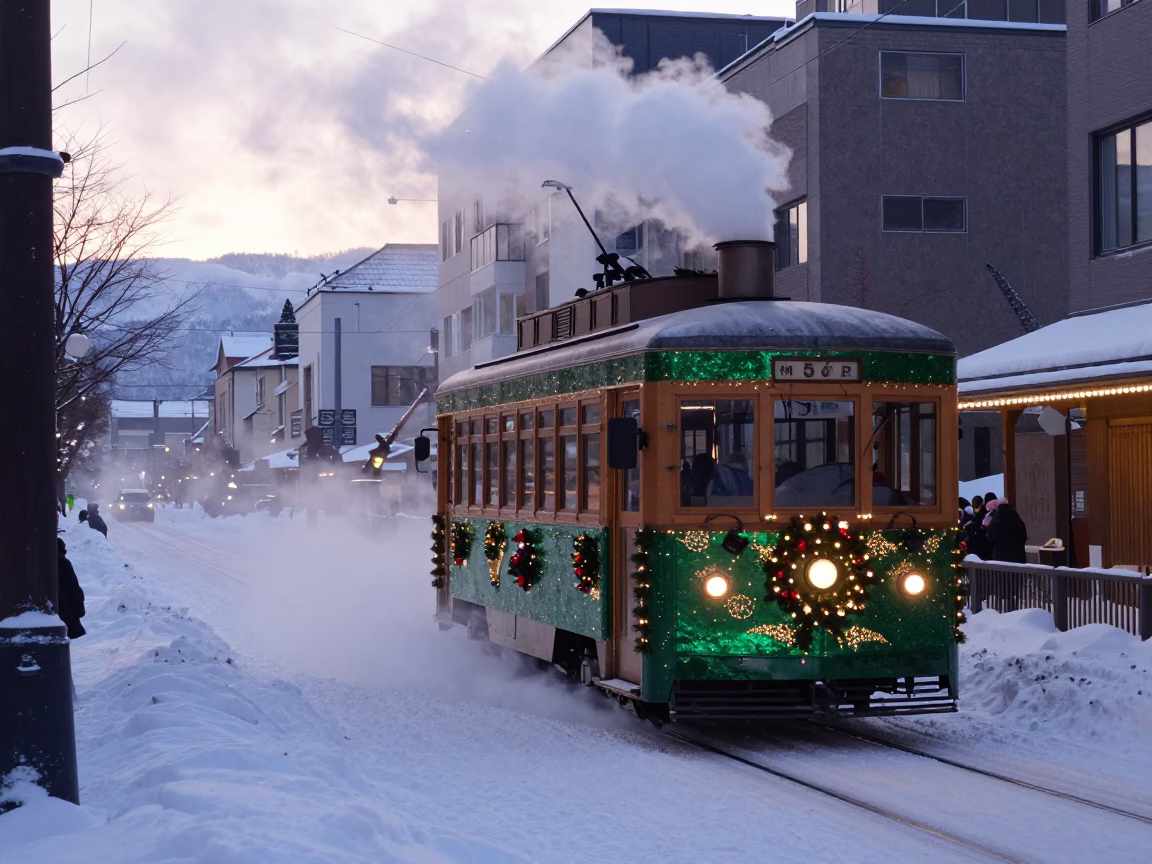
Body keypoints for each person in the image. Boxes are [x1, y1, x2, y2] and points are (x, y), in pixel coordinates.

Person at [986, 499, 1028, 563]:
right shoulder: (1016, 518)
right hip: (1018, 556)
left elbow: (990, 537)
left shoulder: (996, 520)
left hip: (1001, 558)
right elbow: (1024, 537)